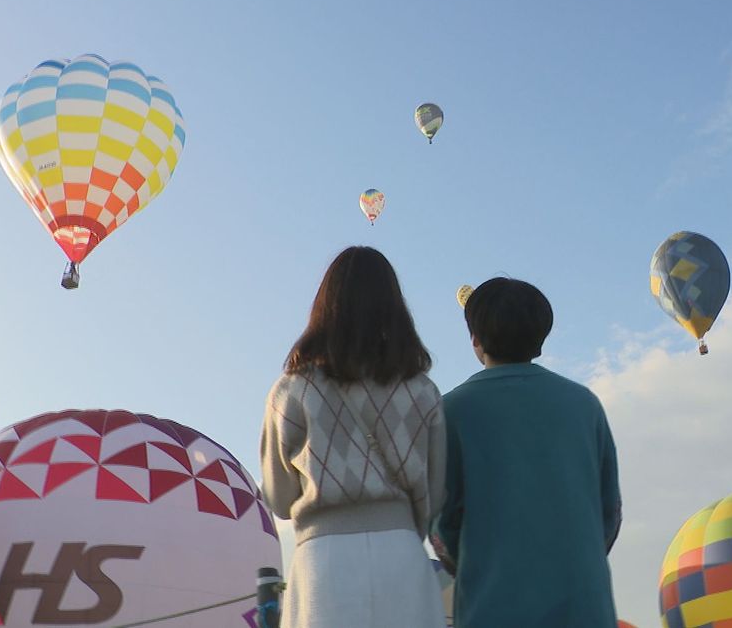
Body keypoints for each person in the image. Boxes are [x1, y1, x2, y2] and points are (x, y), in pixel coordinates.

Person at [259, 246, 446, 628]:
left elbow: (278, 499)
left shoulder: (291, 391)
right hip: (402, 554)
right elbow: (437, 491)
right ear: (395, 307)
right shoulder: (423, 392)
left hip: (323, 562)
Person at [432, 277, 621, 627]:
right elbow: (610, 513)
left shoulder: (450, 410)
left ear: (475, 338)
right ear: (540, 339)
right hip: (584, 606)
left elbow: (442, 523)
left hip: (492, 607)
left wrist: (477, 565)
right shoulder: (584, 405)